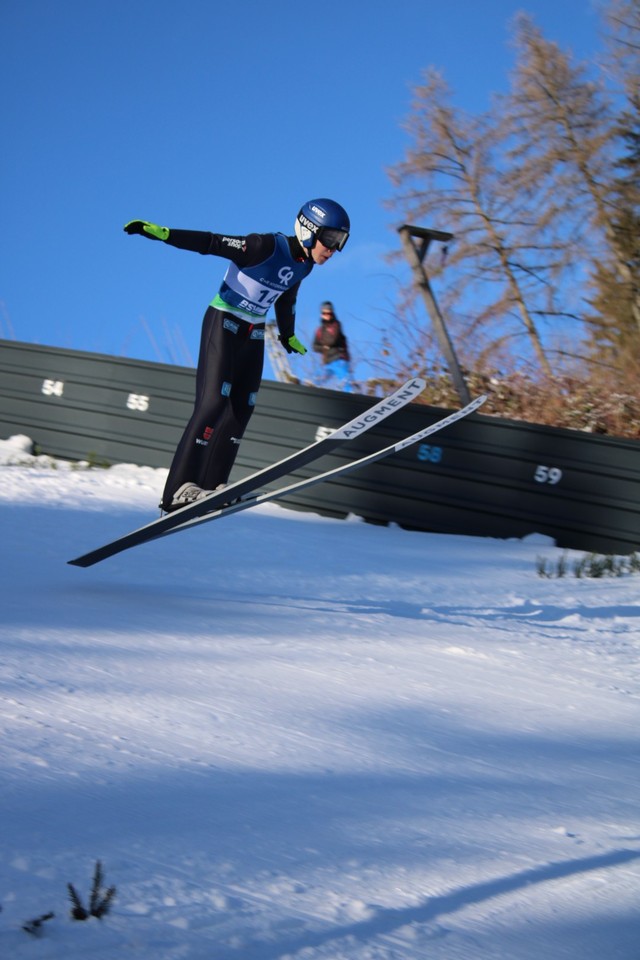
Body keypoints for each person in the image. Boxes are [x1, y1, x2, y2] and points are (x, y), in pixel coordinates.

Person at [124, 198, 350, 512]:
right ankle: (176, 490)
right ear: (309, 230)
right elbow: (212, 243)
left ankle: (213, 486)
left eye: (340, 242)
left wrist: (288, 334)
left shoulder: (305, 265)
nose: (333, 248)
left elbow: (287, 297)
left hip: (253, 331)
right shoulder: (264, 246)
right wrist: (165, 234)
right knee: (213, 403)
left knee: (242, 408)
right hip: (223, 322)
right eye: (330, 239)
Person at [312, 301, 353, 391]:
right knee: (318, 379)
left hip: (339, 358)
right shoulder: (319, 330)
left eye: (329, 312)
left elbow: (333, 339)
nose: (327, 315)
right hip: (327, 362)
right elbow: (314, 346)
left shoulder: (336, 325)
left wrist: (324, 345)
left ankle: (352, 395)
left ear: (332, 313)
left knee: (345, 381)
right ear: (321, 314)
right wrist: (323, 348)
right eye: (324, 313)